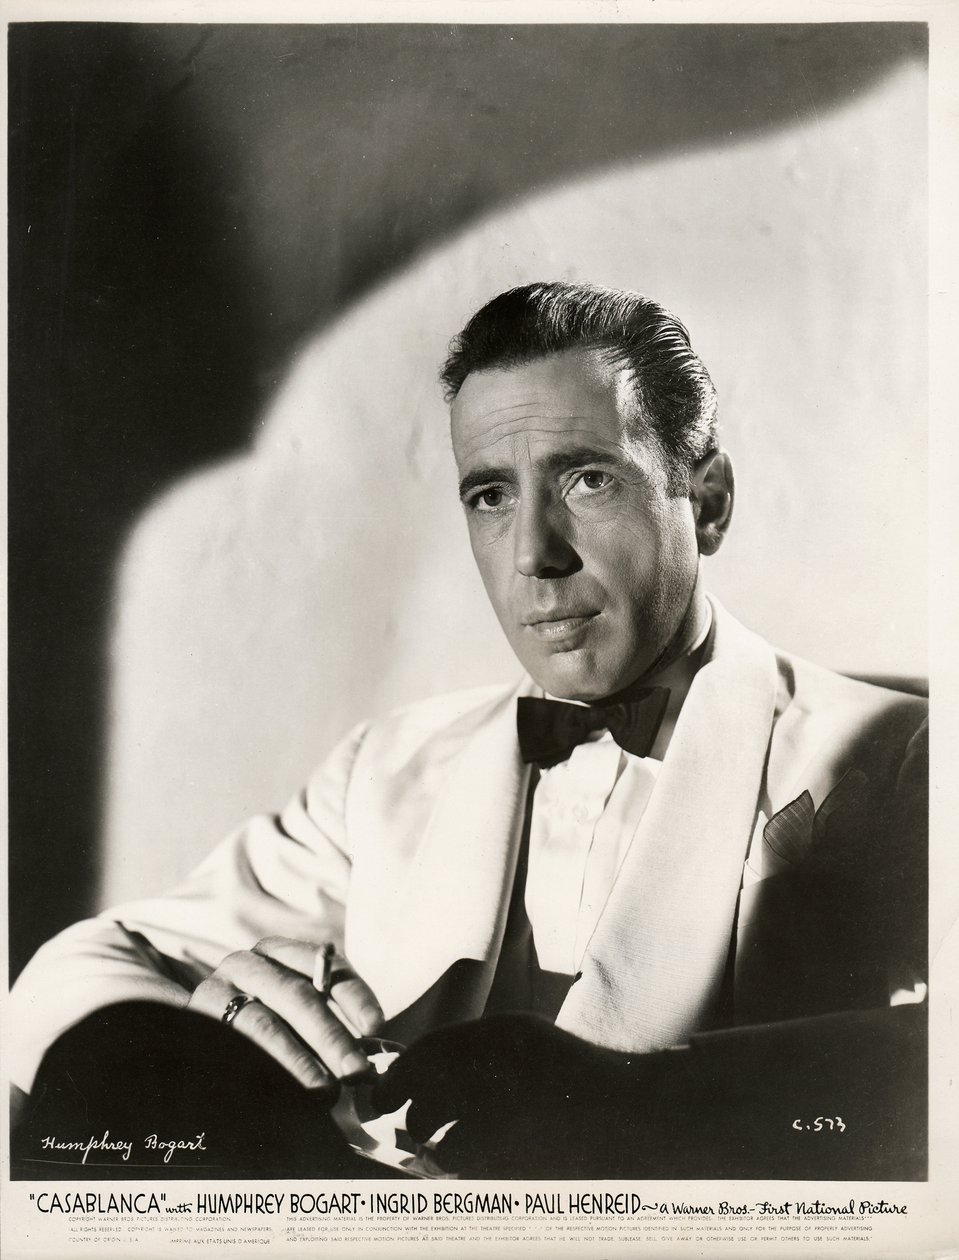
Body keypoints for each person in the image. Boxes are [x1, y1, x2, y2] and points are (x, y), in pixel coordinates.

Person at [9, 282, 927, 1180]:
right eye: (490, 496)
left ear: (710, 501)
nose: (533, 553)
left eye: (588, 480)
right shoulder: (386, 767)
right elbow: (81, 966)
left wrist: (646, 1099)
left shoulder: (905, 757)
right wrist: (205, 1029)